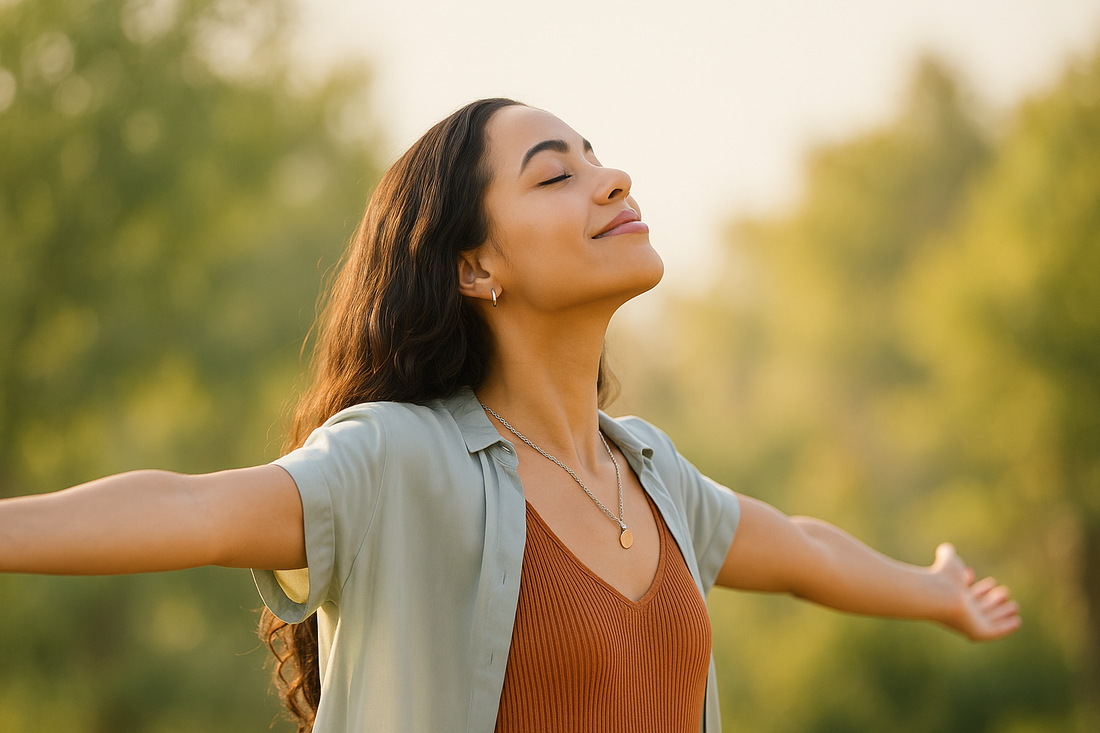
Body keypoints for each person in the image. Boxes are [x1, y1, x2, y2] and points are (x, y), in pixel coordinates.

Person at [0, 98, 1020, 733]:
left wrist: (933, 593)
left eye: (595, 155)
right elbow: (191, 507)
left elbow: (798, 549)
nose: (609, 177)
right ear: (474, 265)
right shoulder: (399, 461)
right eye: (554, 172)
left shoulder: (653, 476)